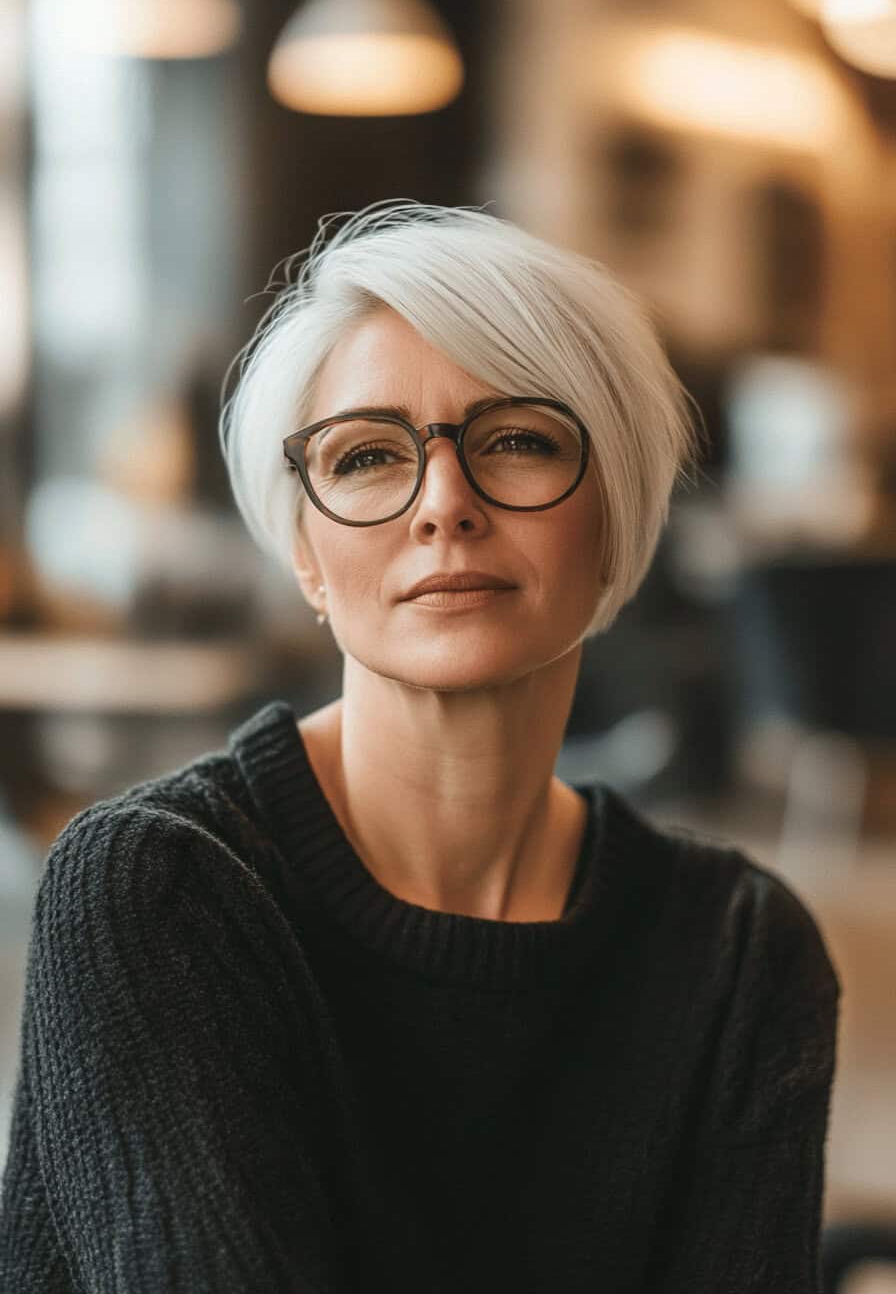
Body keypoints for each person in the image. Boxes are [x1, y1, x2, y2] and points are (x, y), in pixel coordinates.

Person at [0, 202, 841, 1293]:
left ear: (616, 516)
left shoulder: (738, 951)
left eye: (519, 441)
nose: (443, 504)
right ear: (306, 555)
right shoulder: (158, 886)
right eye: (363, 457)